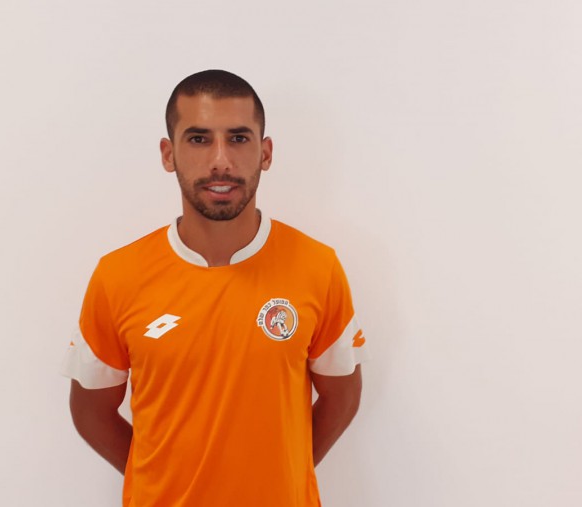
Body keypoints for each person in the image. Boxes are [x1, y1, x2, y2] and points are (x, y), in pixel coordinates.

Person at [61, 69, 369, 506]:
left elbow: (343, 396)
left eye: (239, 138)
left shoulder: (318, 267)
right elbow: (90, 410)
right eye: (199, 139)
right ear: (168, 154)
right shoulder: (118, 276)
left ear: (265, 153)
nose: (220, 160)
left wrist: (285, 476)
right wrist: (160, 480)